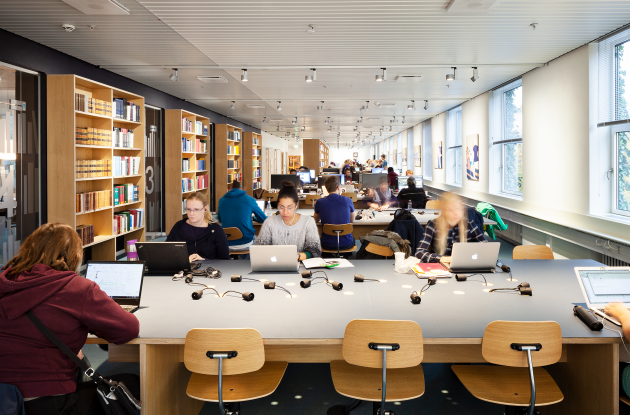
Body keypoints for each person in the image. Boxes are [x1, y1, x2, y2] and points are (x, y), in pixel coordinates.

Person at [0, 223, 140, 414]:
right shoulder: (76, 288)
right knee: (132, 383)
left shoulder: (4, 282)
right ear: (74, 255)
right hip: (50, 402)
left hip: (4, 400)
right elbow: (128, 329)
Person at [256, 181, 321, 261]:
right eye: (281, 207)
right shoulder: (269, 222)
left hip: (300, 266)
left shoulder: (308, 222)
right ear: (277, 205)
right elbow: (259, 250)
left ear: (296, 205)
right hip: (274, 266)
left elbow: (315, 251)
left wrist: (296, 256)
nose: (285, 212)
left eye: (290, 207)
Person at [415, 192, 486, 263]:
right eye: (450, 210)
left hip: (464, 266)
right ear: (443, 211)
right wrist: (444, 259)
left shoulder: (469, 224)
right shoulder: (433, 225)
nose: (456, 213)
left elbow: (486, 248)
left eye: (458, 209)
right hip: (440, 269)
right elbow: (419, 252)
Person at [167, 191, 230, 261]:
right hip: (181, 271)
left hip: (208, 270)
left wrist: (204, 260)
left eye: (196, 210)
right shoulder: (178, 226)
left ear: (205, 209)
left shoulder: (216, 230)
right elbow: (166, 252)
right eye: (188, 209)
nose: (191, 213)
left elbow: (225, 260)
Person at [217, 180, 267, 254]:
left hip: (226, 244)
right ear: (243, 187)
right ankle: (247, 263)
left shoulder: (221, 200)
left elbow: (220, 219)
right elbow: (264, 219)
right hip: (245, 243)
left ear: (230, 188)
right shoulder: (249, 199)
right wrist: (253, 217)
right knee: (260, 240)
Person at [313, 175, 356, 256]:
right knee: (352, 238)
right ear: (338, 187)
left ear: (326, 188)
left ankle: (328, 257)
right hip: (346, 244)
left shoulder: (320, 202)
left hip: (327, 244)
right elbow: (352, 219)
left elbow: (315, 220)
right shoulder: (348, 200)